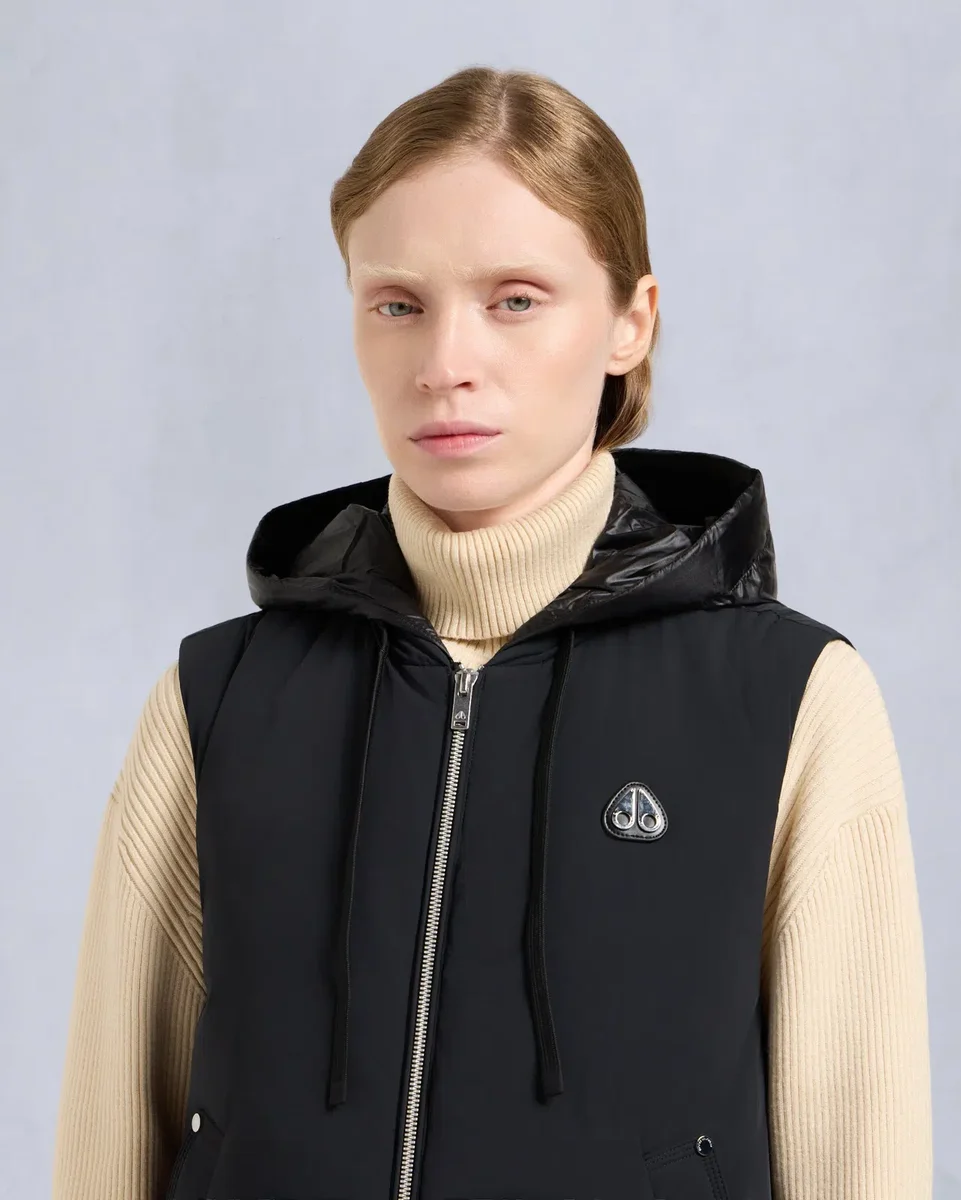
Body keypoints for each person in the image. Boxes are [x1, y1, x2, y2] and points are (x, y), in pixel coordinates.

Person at [52, 65, 933, 1200]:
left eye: (515, 299)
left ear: (629, 322)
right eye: (397, 304)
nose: (443, 366)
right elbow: (106, 1143)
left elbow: (860, 1158)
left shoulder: (788, 699)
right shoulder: (217, 699)